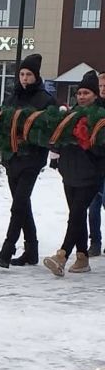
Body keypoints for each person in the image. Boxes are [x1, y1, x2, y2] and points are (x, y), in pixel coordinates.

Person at [0, 53, 56, 268]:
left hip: (32, 159)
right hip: (12, 158)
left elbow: (49, 130)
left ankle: (7, 250)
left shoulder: (45, 100)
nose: (24, 78)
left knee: (18, 205)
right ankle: (31, 250)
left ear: (36, 76)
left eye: (28, 74)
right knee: (22, 204)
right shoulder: (11, 98)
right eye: (21, 74)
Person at [44, 70, 105, 277]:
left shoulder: (101, 117)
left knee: (77, 214)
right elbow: (58, 140)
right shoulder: (69, 116)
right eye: (79, 93)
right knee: (76, 216)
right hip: (69, 173)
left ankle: (62, 255)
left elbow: (100, 148)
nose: (81, 97)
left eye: (86, 93)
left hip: (90, 175)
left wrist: (87, 141)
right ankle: (82, 258)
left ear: (95, 95)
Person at [86, 71, 105, 257]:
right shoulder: (93, 108)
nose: (103, 89)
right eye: (100, 86)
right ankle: (95, 242)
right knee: (93, 206)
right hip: (94, 165)